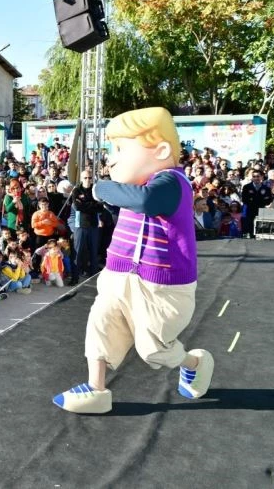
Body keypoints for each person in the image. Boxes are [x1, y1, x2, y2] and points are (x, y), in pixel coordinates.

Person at [53, 108, 214, 414]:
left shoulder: (172, 183)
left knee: (153, 348)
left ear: (162, 150)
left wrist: (101, 188)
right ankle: (96, 388)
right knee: (101, 323)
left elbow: (145, 201)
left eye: (121, 149)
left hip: (159, 284)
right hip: (119, 273)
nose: (111, 159)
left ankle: (194, 362)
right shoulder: (137, 186)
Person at [68, 170, 102, 283]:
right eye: (85, 178)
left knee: (93, 253)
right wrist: (92, 204)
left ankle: (93, 279)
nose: (88, 180)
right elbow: (77, 207)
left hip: (93, 225)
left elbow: (100, 207)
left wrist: (85, 203)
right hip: (80, 225)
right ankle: (74, 278)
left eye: (89, 177)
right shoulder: (76, 190)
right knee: (77, 253)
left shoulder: (96, 190)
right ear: (81, 179)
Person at [240, 170, 274, 238]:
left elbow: (268, 200)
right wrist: (260, 200)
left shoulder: (266, 188)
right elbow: (244, 199)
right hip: (250, 211)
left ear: (261, 177)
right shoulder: (246, 187)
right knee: (250, 228)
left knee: (260, 229)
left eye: (258, 176)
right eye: (254, 176)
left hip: (261, 211)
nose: (256, 178)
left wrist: (254, 200)